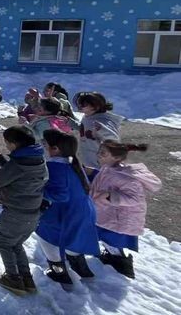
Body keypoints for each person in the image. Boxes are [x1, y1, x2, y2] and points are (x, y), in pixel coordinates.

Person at [0, 126, 48, 295]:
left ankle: (13, 278)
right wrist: (0, 157)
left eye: (7, 143)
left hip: (15, 213)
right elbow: (16, 172)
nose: (6, 146)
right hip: (33, 212)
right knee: (15, 244)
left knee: (3, 242)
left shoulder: (18, 163)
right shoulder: (38, 159)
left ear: (15, 144)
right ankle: (27, 278)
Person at [36, 129, 100, 289]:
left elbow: (60, 195)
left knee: (46, 237)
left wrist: (38, 189)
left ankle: (59, 274)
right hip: (83, 211)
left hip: (65, 213)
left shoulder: (54, 166)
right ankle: (82, 269)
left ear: (56, 149)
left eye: (46, 145)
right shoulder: (74, 164)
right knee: (73, 240)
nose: (45, 148)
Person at [88, 140, 162, 279]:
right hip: (107, 214)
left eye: (103, 153)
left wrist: (111, 196)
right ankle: (112, 256)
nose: (99, 155)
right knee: (105, 238)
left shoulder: (127, 178)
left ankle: (124, 266)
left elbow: (135, 199)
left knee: (112, 240)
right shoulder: (107, 168)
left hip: (118, 220)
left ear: (116, 158)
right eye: (99, 151)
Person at [74, 92, 123, 168]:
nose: (80, 107)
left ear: (95, 107)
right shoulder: (88, 117)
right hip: (88, 159)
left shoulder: (101, 122)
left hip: (98, 164)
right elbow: (82, 129)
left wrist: (105, 155)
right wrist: (69, 122)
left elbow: (113, 139)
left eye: (83, 105)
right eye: (79, 104)